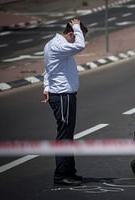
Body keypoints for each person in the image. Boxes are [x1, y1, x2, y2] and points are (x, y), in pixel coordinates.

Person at [42, 18, 88, 186]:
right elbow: (80, 46)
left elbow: (47, 70)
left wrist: (46, 87)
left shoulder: (52, 45)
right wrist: (76, 26)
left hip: (62, 95)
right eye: (77, 35)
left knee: (68, 136)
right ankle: (61, 175)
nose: (79, 39)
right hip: (63, 96)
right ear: (70, 34)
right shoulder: (58, 45)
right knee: (64, 137)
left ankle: (70, 172)